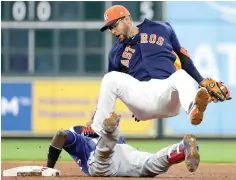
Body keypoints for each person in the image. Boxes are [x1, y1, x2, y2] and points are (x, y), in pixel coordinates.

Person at [89, 5, 231, 135]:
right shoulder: (116, 52)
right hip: (142, 98)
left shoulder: (161, 28)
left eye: (114, 25)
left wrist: (201, 80)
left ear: (127, 19)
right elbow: (110, 91)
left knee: (180, 74)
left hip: (167, 94)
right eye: (109, 28)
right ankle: (96, 131)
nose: (112, 31)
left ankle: (194, 109)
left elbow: (183, 56)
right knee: (110, 78)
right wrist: (131, 101)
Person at [46, 112, 200, 177]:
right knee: (151, 165)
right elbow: (62, 135)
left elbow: (61, 134)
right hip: (122, 152)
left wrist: (49, 168)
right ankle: (181, 147)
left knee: (104, 150)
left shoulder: (80, 135)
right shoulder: (80, 132)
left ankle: (110, 129)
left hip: (104, 158)